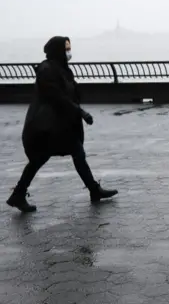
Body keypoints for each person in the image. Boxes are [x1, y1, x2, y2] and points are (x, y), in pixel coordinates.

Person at [6, 36, 118, 213]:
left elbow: (70, 93)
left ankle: (94, 190)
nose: (69, 52)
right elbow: (56, 96)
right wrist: (80, 112)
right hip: (47, 127)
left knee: (77, 154)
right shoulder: (46, 69)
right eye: (66, 49)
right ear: (57, 50)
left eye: (69, 48)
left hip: (61, 125)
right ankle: (18, 194)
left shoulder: (63, 69)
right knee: (39, 159)